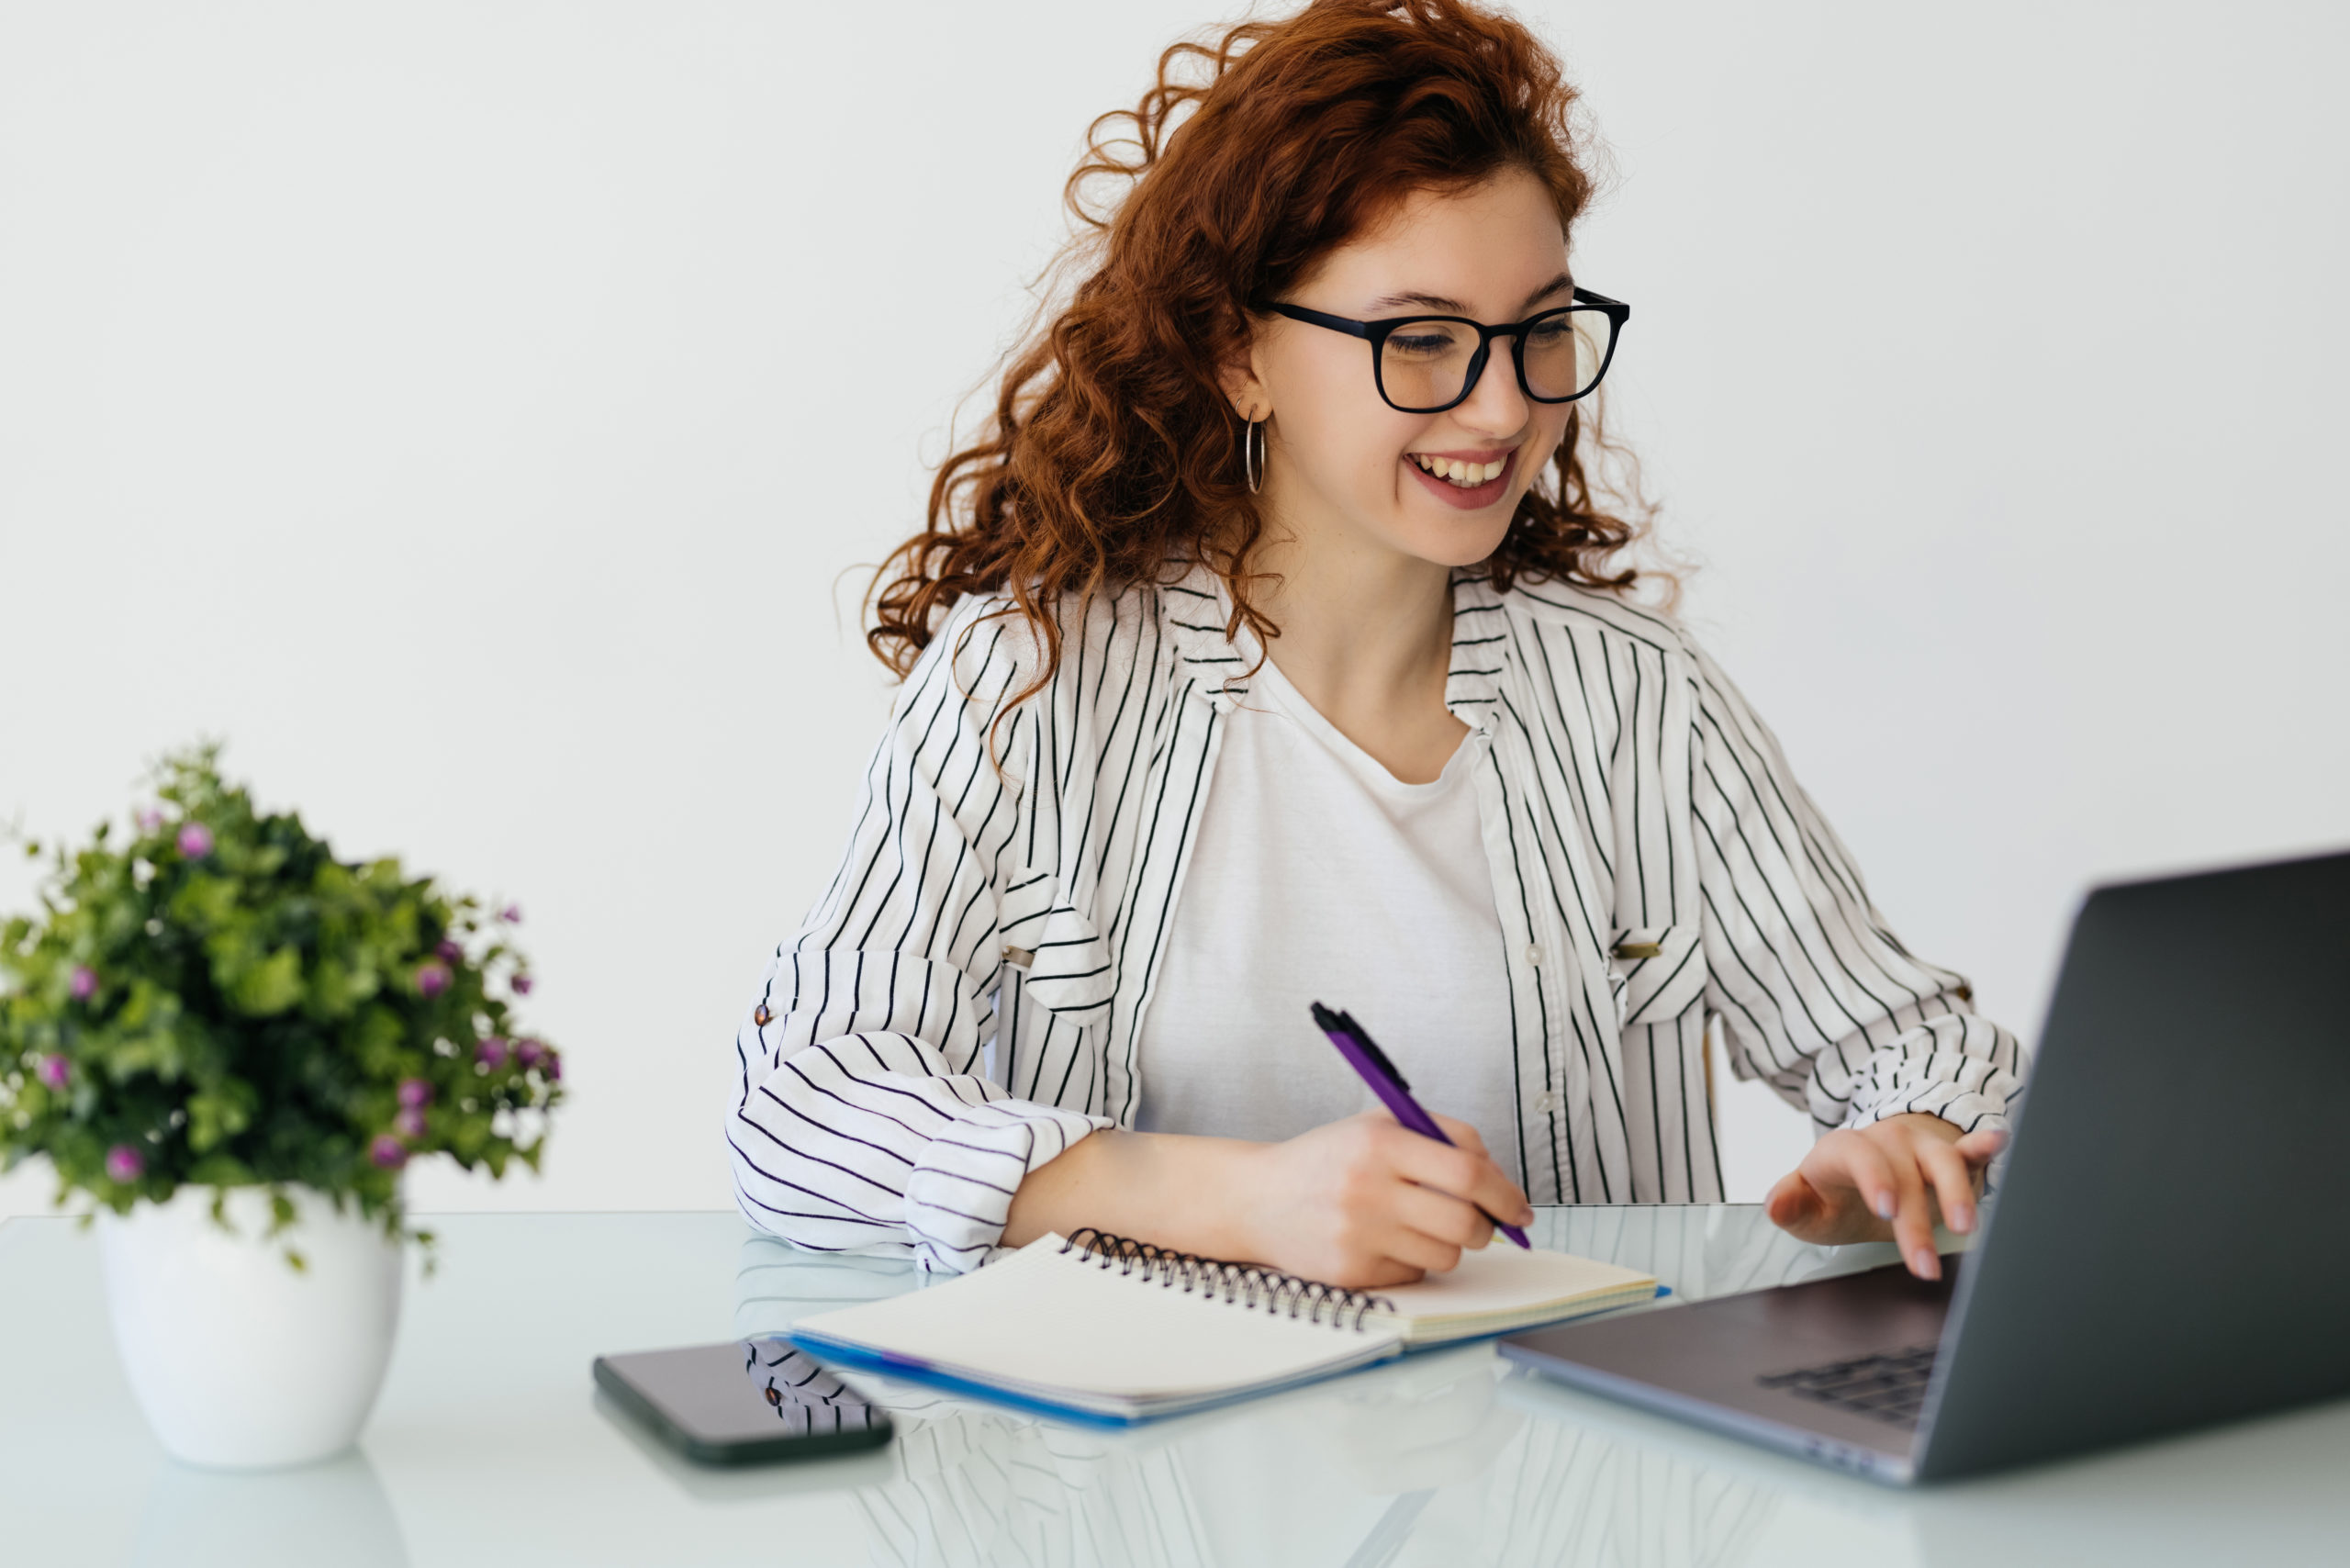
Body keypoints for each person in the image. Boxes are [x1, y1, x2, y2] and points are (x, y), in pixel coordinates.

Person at [726, 0, 2023, 1290]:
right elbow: (801, 1105)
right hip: (1117, 1479)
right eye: (1421, 341)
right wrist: (1238, 1198)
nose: (1507, 403)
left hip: (1572, 1478)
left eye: (1540, 330)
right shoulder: (1031, 686)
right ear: (1241, 354)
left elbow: (1937, 1062)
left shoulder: (1639, 704)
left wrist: (1906, 1146)